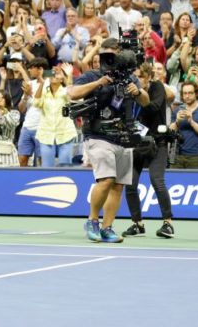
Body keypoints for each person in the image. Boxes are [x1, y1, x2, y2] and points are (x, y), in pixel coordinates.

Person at [67, 38, 143, 243]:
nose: (108, 60)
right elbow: (73, 93)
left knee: (118, 185)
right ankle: (92, 221)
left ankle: (107, 227)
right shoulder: (92, 75)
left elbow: (145, 101)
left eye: (112, 55)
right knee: (106, 180)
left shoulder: (130, 78)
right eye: (104, 55)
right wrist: (99, 83)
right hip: (98, 135)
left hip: (123, 135)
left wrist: (139, 92)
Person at [123, 63, 175, 239]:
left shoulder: (157, 87)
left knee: (157, 180)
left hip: (157, 142)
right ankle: (137, 224)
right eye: (134, 77)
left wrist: (138, 94)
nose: (135, 81)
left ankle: (168, 223)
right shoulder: (129, 91)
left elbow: (153, 107)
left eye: (139, 77)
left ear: (147, 77)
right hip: (137, 143)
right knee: (130, 185)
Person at [170, 82, 198, 168]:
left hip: (196, 155)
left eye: (190, 93)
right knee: (174, 181)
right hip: (177, 154)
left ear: (196, 93)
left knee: (194, 181)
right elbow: (170, 132)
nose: (187, 96)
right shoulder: (177, 110)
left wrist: (191, 122)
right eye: (185, 93)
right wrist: (177, 122)